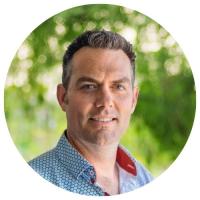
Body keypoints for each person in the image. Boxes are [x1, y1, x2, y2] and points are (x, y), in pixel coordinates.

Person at [29, 30, 153, 196]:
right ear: (63, 97)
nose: (105, 102)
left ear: (133, 100)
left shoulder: (145, 180)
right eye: (89, 86)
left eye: (118, 87)